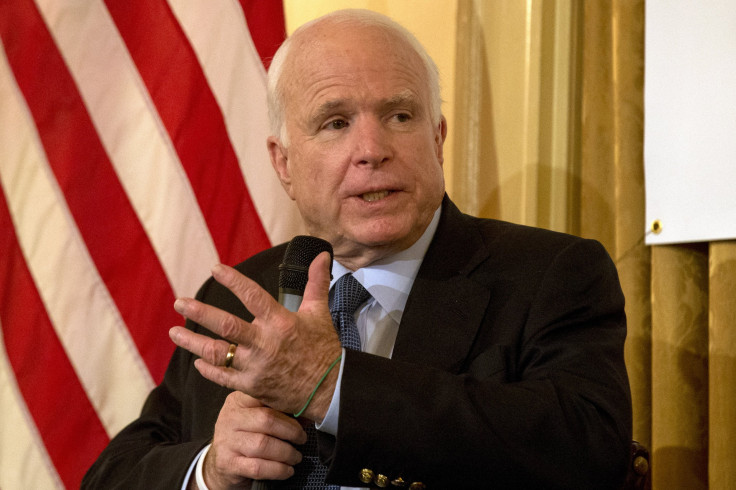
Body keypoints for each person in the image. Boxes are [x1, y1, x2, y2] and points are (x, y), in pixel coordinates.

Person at [83, 9, 632, 490]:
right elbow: (114, 474)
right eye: (336, 122)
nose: (372, 150)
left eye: (399, 116)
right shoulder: (238, 302)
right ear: (284, 164)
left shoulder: (548, 276)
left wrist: (332, 388)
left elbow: (588, 453)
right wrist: (211, 469)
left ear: (437, 139)